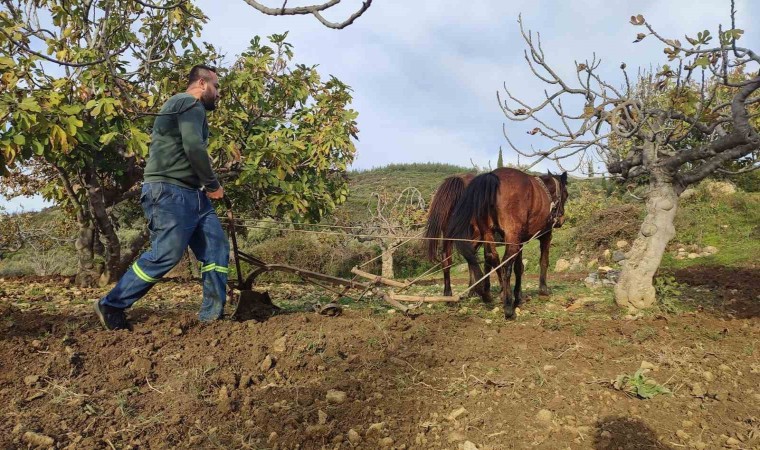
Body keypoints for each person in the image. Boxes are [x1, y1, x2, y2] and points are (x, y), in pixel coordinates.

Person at [94, 64, 229, 330]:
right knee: (166, 254)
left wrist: (204, 189)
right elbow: (193, 146)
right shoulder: (189, 103)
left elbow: (188, 147)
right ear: (202, 84)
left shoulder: (189, 108)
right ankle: (112, 303)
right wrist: (213, 184)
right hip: (170, 192)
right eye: (215, 86)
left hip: (193, 195)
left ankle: (211, 317)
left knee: (217, 249)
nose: (218, 93)